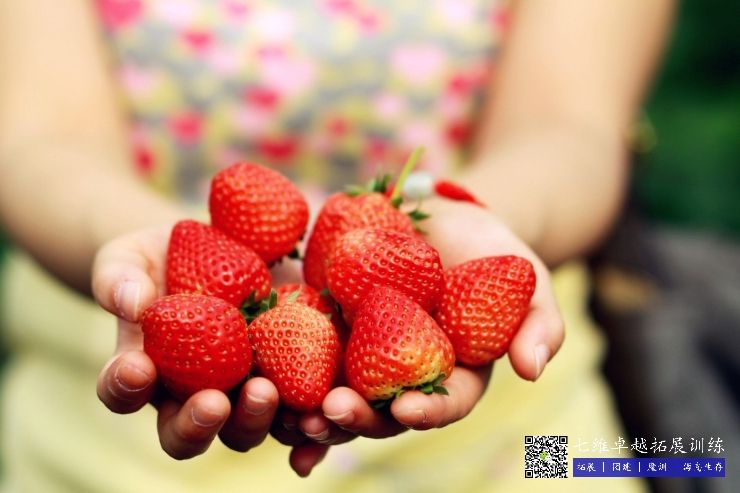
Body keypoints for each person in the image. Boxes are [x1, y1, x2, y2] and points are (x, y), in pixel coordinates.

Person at [0, 0, 672, 491]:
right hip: (108, 456)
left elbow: (571, 129)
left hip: (519, 453)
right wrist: (143, 254)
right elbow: (39, 142)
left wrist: (478, 217)